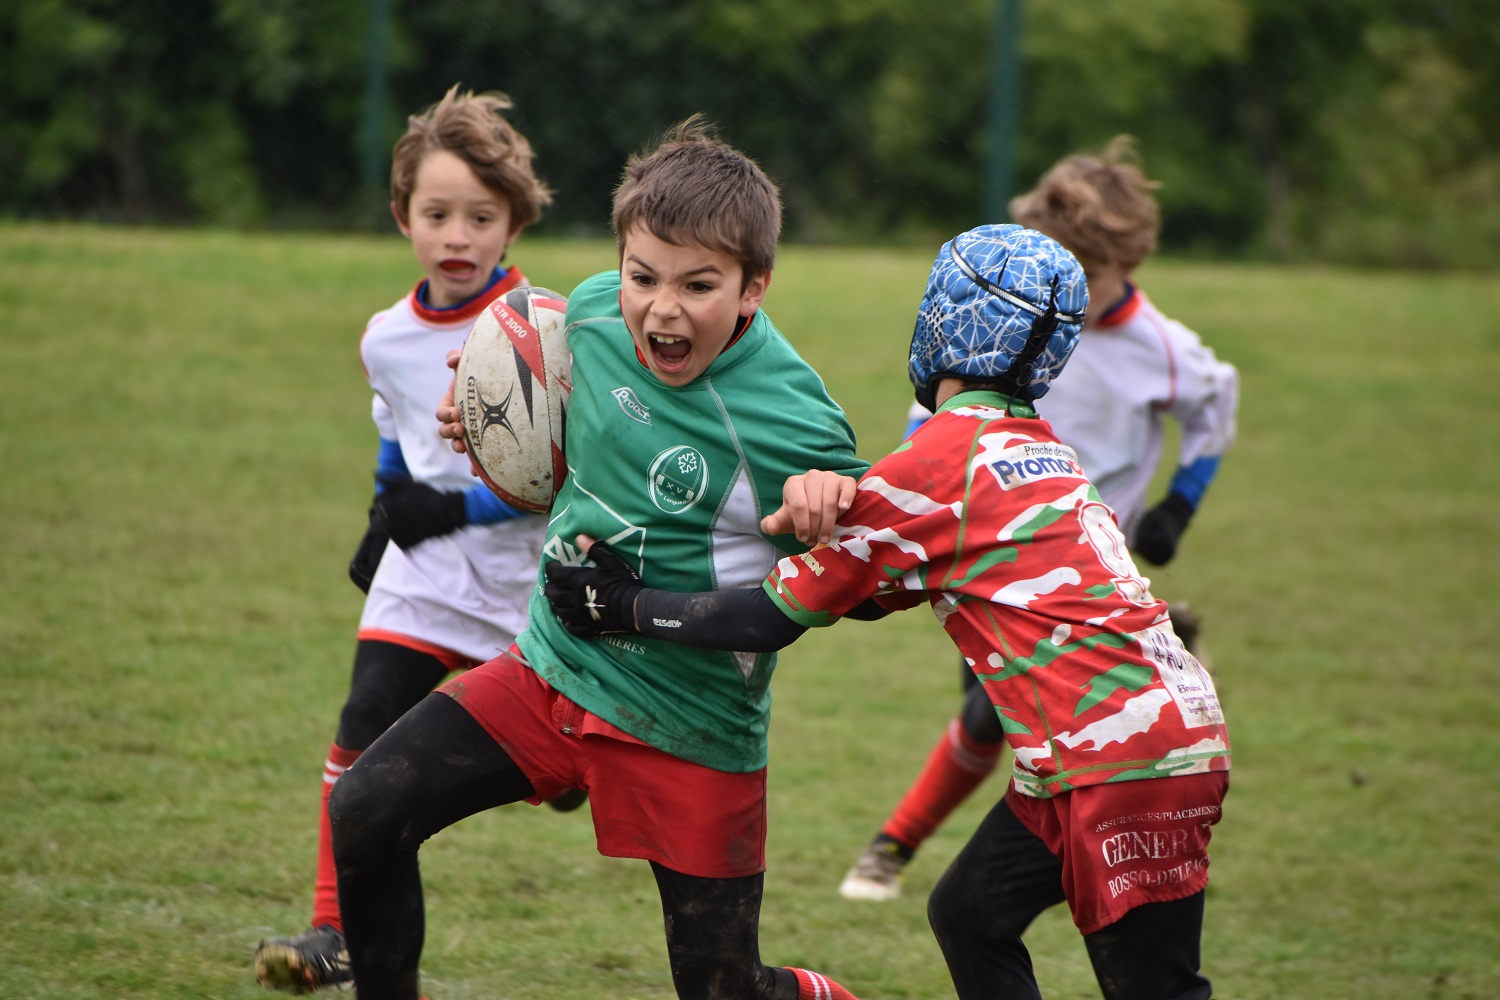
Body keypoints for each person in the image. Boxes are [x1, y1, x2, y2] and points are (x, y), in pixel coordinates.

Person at [545, 223, 1232, 1000]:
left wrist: (624, 604)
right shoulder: (1036, 445)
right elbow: (873, 593)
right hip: (1138, 736)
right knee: (969, 915)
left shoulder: (940, 462)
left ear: (942, 318)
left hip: (1118, 750)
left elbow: (774, 618)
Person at [325, 119, 870, 1000]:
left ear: (753, 287)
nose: (661, 308)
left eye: (700, 285)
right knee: (365, 813)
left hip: (689, 725)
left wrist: (827, 501)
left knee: (724, 988)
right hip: (551, 671)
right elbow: (540, 426)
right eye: (642, 276)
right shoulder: (582, 314)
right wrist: (487, 408)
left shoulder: (791, 412)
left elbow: (868, 547)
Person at [839, 136, 1240, 900]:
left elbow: (1218, 404)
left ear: (1132, 262)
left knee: (998, 712)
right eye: (1052, 268)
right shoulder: (1009, 324)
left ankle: (891, 848)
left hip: (1076, 576)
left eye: (1086, 275)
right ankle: (1164, 658)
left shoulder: (1162, 349)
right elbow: (937, 419)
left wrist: (1180, 503)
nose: (1066, 292)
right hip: (985, 553)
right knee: (1004, 716)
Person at [253, 86, 570, 994]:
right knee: (360, 726)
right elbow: (398, 443)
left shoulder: (544, 331)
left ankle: (561, 771)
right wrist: (384, 515)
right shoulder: (386, 337)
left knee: (558, 765)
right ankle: (333, 927)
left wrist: (459, 508)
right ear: (403, 219)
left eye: (482, 216)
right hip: (424, 580)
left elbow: (553, 475)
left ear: (515, 223)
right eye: (437, 215)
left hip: (526, 588)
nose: (458, 236)